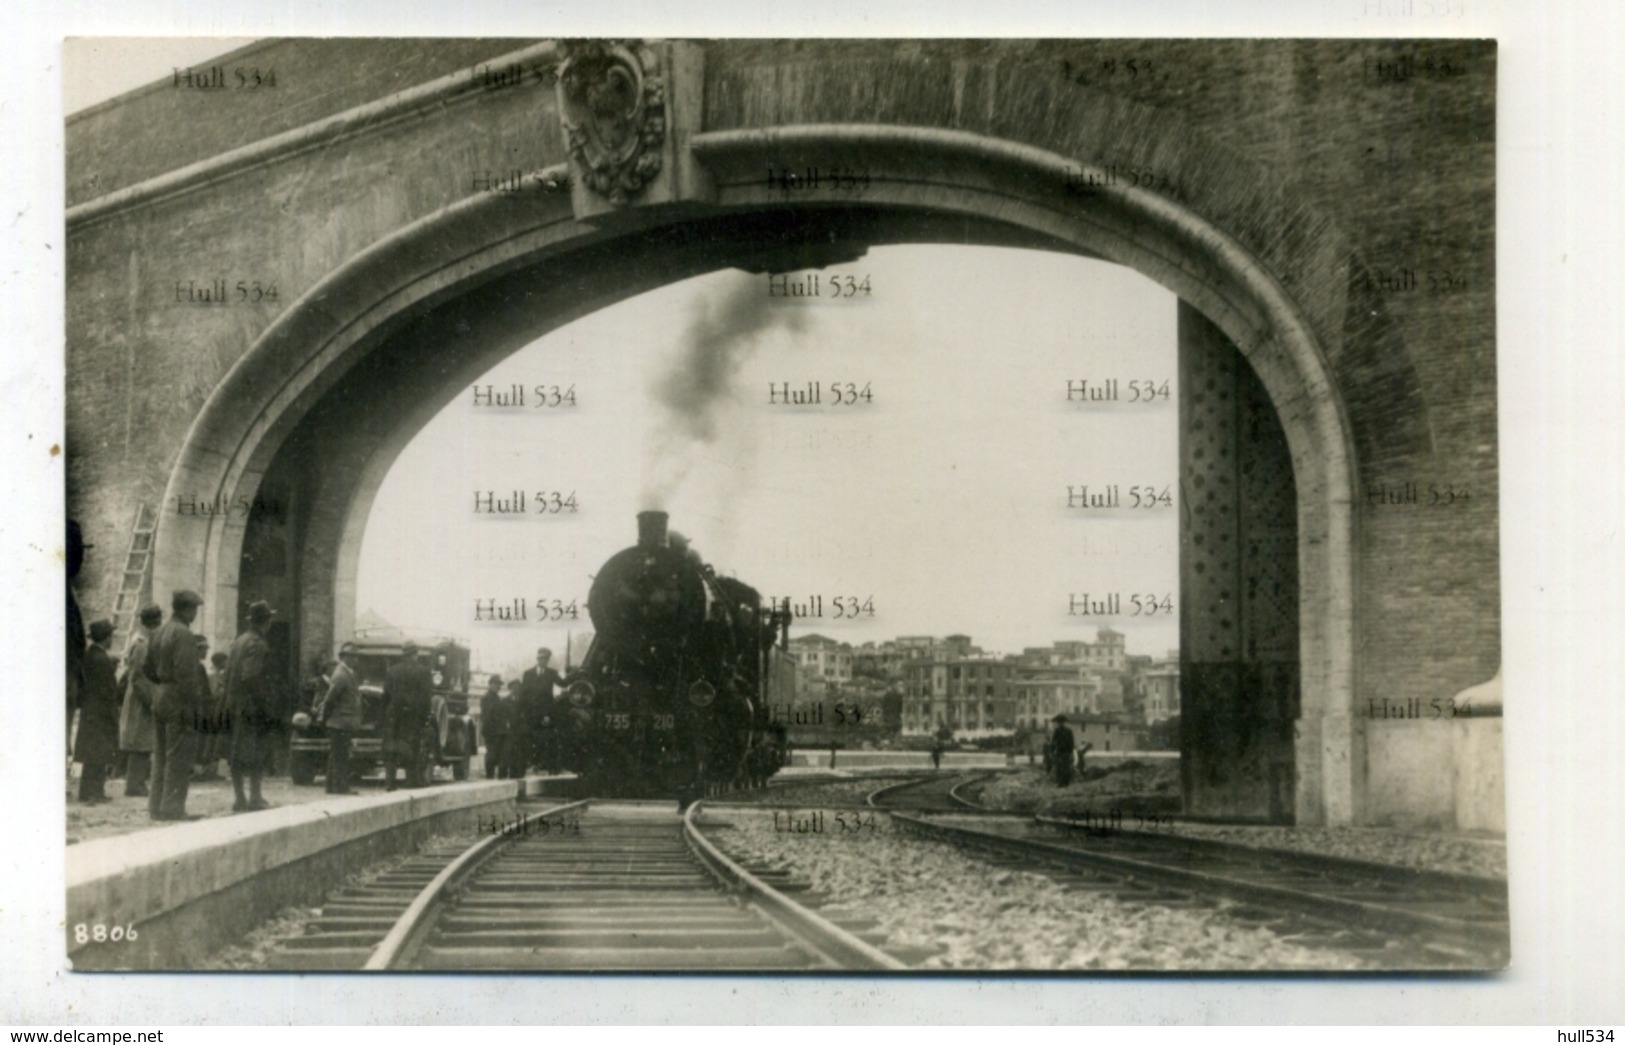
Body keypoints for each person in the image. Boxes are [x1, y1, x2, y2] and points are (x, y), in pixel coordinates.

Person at [147, 589, 206, 821]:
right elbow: (186, 674)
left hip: (160, 693)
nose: (195, 613)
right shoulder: (183, 634)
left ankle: (156, 806)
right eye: (194, 609)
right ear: (187, 609)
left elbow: (148, 668)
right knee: (178, 755)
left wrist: (162, 684)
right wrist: (194, 703)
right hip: (178, 698)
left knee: (161, 753)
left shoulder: (160, 630)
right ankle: (172, 808)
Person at [225, 601, 282, 811]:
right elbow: (250, 676)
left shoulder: (238, 641)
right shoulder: (257, 643)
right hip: (251, 707)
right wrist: (264, 701)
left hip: (235, 705)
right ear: (266, 622)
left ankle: (240, 799)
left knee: (236, 753)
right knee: (256, 752)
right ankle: (255, 798)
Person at [118, 604, 163, 797]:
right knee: (140, 742)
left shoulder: (141, 639)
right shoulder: (143, 643)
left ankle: (136, 782)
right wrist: (150, 700)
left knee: (143, 741)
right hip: (141, 698)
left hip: (141, 695)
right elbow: (137, 676)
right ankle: (134, 784)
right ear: (154, 622)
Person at [74, 620, 121, 804]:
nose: (112, 639)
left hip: (91, 710)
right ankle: (94, 792)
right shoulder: (101, 659)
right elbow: (108, 689)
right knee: (99, 752)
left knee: (92, 753)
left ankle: (88, 791)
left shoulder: (90, 655)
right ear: (106, 637)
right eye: (110, 635)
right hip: (101, 710)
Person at [382, 640, 434, 790]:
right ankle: (411, 781)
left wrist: (385, 715)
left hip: (393, 716)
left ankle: (390, 783)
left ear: (403, 654)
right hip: (413, 716)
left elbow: (385, 696)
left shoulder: (392, 671)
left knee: (392, 748)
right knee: (412, 747)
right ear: (415, 654)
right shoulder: (424, 672)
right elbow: (426, 698)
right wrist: (425, 718)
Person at [317, 644, 362, 795]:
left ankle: (331, 786)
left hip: (341, 722)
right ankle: (342, 788)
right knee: (341, 756)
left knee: (336, 754)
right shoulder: (342, 674)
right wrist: (325, 717)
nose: (356, 659)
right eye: (353, 656)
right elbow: (330, 699)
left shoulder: (347, 673)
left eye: (356, 657)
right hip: (340, 722)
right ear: (345, 657)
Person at [520, 648, 563, 773]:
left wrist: (576, 675)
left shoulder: (552, 673)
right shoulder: (528, 674)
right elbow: (524, 694)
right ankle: (532, 763)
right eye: (540, 658)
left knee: (544, 738)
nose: (542, 661)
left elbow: (563, 683)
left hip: (546, 714)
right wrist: (523, 712)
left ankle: (543, 764)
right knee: (530, 738)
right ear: (537, 659)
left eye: (545, 659)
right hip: (530, 714)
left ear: (548, 660)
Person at [480, 675, 508, 779]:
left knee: (498, 755)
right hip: (491, 731)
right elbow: (486, 716)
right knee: (491, 755)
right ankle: (489, 776)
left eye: (499, 685)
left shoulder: (497, 698)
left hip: (498, 731)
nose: (498, 687)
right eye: (496, 684)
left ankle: (494, 776)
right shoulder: (486, 698)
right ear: (491, 684)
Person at [1049, 714, 1077, 788]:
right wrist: (1052, 751)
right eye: (1059, 722)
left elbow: (1071, 742)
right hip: (1062, 752)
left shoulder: (1065, 731)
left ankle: (1064, 783)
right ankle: (1062, 783)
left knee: (1064, 767)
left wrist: (1071, 752)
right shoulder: (1059, 731)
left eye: (1061, 722)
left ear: (1063, 723)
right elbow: (1053, 742)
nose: (1060, 724)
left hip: (1064, 752)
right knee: (1061, 767)